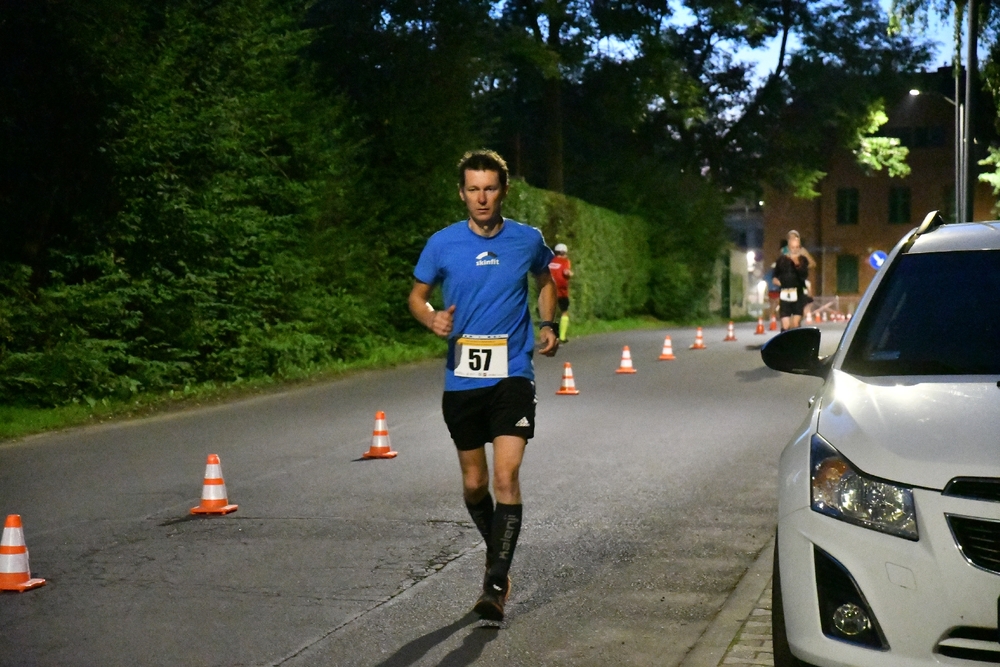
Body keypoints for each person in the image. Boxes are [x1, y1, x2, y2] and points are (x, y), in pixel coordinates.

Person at [408, 149, 559, 622]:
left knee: (505, 476)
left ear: (504, 190)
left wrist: (548, 321)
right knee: (475, 484)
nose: (481, 197)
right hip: (463, 378)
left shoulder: (527, 239)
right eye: (473, 189)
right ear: (461, 193)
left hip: (513, 373)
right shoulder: (442, 244)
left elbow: (545, 279)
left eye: (490, 188)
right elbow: (416, 297)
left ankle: (495, 581)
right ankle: (498, 552)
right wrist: (431, 318)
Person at [772, 230, 811, 330]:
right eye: (793, 248)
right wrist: (776, 280)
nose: (795, 250)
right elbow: (775, 274)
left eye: (797, 247)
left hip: (798, 295)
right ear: (788, 248)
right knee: (785, 325)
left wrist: (797, 263)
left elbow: (804, 275)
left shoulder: (803, 260)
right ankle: (784, 343)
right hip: (785, 294)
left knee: (795, 323)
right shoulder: (781, 260)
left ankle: (796, 343)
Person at [548, 243, 573, 342]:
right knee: (564, 312)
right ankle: (562, 336)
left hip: (549, 290)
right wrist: (571, 274)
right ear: (564, 253)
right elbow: (566, 272)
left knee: (551, 314)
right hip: (562, 291)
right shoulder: (565, 261)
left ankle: (551, 336)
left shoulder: (550, 261)